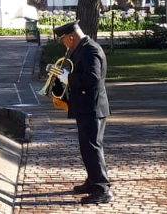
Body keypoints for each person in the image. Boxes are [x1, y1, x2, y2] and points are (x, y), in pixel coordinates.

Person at [49, 21, 113, 204]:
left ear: (71, 37)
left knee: (93, 148)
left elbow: (92, 77)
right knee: (87, 148)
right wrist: (63, 77)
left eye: (63, 40)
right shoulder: (82, 49)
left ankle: (102, 189)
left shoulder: (90, 50)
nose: (63, 44)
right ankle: (93, 181)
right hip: (85, 106)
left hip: (92, 107)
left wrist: (66, 77)